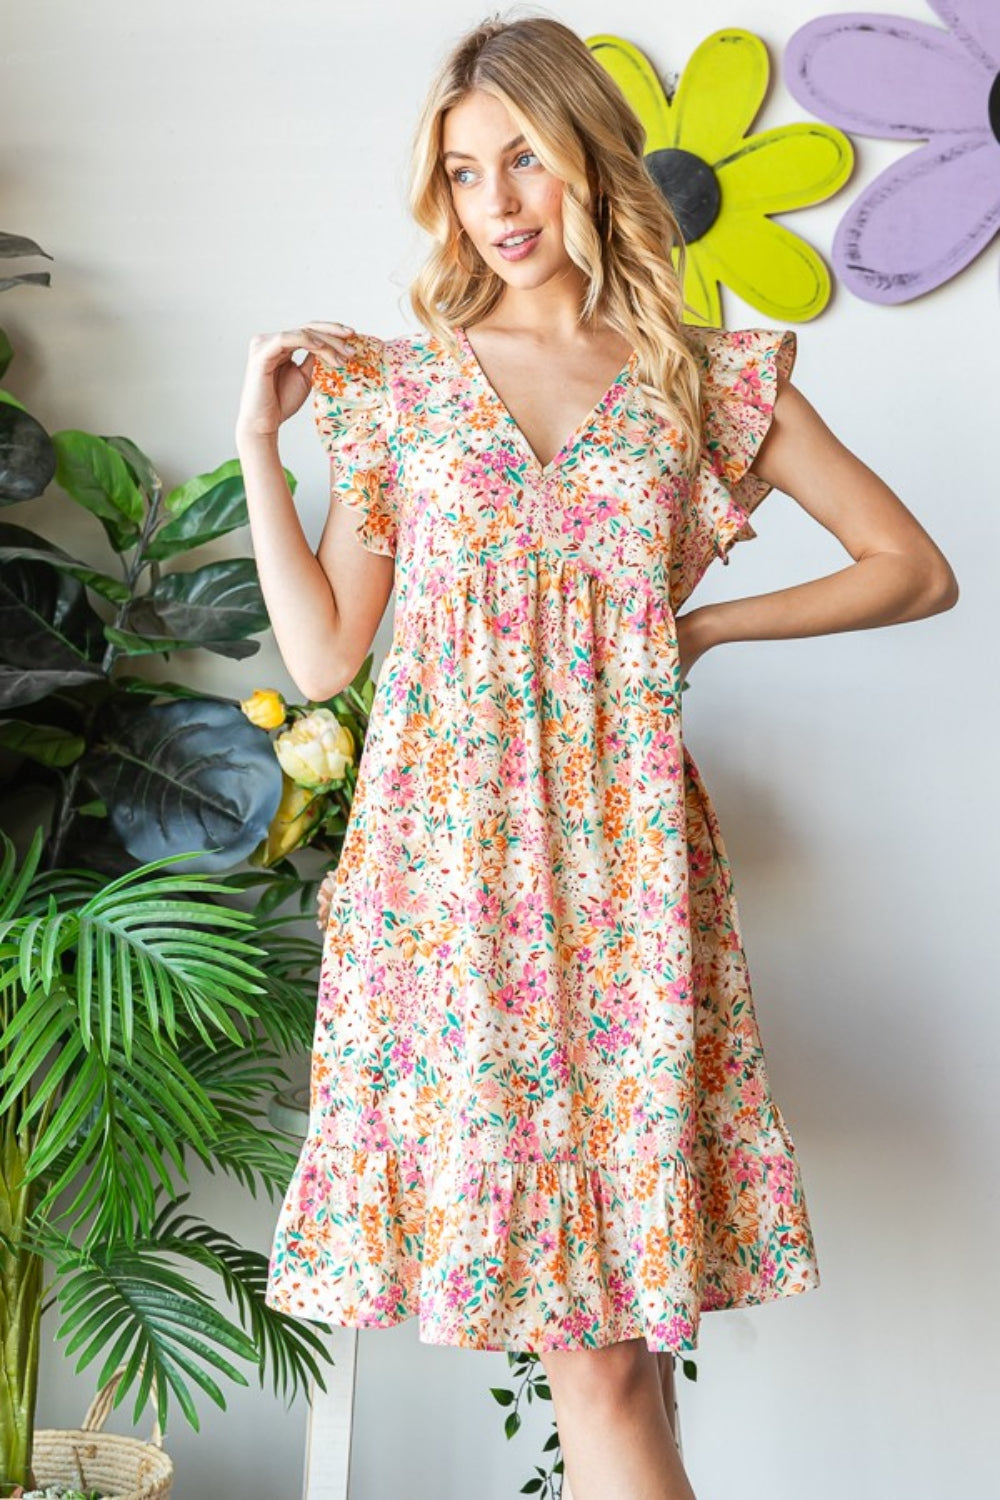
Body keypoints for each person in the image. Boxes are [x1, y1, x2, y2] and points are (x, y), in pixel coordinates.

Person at [236, 13, 959, 1500]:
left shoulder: (704, 382)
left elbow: (911, 568)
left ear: (591, 161)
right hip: (450, 886)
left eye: (524, 160)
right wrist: (262, 447)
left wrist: (701, 629)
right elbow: (322, 659)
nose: (496, 203)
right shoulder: (405, 392)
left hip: (625, 883)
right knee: (601, 1350)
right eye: (463, 172)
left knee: (614, 1346)